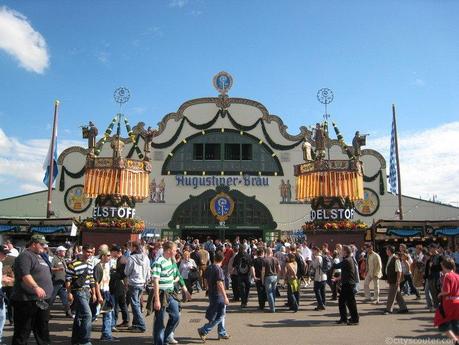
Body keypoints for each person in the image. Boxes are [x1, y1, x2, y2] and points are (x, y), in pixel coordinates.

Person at [11, 234, 54, 345]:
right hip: (26, 300)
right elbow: (25, 275)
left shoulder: (41, 256)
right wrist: (36, 287)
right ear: (34, 244)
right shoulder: (25, 256)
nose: (44, 246)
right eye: (42, 244)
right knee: (23, 331)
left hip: (42, 300)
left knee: (42, 330)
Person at [152, 241, 191, 345]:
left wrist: (185, 291)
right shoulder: (158, 262)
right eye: (175, 250)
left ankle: (165, 337)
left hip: (171, 294)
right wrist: (157, 300)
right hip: (161, 294)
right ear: (169, 251)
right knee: (159, 322)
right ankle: (159, 342)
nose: (176, 252)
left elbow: (177, 276)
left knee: (176, 316)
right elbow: (155, 282)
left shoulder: (171, 261)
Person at [66, 244, 97, 345]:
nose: (89, 254)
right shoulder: (73, 264)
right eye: (88, 252)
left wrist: (94, 294)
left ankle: (75, 340)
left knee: (79, 317)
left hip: (87, 292)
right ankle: (85, 341)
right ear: (83, 251)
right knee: (88, 315)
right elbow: (68, 280)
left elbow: (91, 279)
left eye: (91, 252)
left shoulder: (90, 264)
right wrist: (69, 293)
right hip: (78, 292)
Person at [197, 252, 230, 342]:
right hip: (218, 295)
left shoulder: (209, 267)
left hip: (212, 293)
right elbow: (219, 283)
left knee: (219, 314)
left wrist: (208, 289)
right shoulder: (218, 269)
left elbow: (205, 279)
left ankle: (222, 332)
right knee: (220, 315)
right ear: (222, 260)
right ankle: (204, 329)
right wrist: (225, 296)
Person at [124, 241, 150, 333]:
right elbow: (148, 271)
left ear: (134, 248)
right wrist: (146, 280)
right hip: (142, 283)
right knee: (137, 304)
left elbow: (127, 271)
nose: (130, 248)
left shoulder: (131, 258)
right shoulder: (146, 257)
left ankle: (141, 325)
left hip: (134, 283)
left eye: (131, 247)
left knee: (135, 305)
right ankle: (136, 324)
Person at [433, 257, 459, 345]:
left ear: (444, 266)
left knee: (441, 323)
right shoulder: (457, 275)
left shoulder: (447, 276)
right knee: (455, 324)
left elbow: (447, 291)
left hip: (449, 303)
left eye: (442, 267)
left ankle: (455, 340)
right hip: (457, 302)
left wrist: (440, 294)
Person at [333, 245, 359, 325]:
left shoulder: (347, 260)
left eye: (342, 251)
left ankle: (354, 320)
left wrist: (334, 258)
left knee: (349, 302)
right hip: (348, 283)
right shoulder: (348, 259)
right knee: (345, 302)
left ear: (346, 252)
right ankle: (345, 319)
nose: (341, 252)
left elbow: (336, 266)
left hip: (348, 284)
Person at [383, 246, 408, 314]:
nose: (386, 251)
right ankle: (404, 308)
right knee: (397, 294)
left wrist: (398, 280)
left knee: (391, 295)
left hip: (394, 280)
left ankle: (388, 309)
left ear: (390, 251)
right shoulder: (390, 258)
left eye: (387, 249)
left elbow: (399, 271)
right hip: (392, 279)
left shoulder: (395, 258)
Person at [109, 244, 129, 328]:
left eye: (112, 252)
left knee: (116, 304)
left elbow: (123, 274)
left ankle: (114, 322)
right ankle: (126, 320)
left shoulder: (122, 260)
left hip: (120, 284)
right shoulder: (121, 259)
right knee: (122, 304)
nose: (111, 254)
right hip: (122, 284)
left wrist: (113, 274)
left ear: (117, 252)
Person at [49, 246, 72, 317]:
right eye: (63, 251)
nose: (65, 252)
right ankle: (46, 313)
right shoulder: (55, 259)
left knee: (65, 298)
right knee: (51, 299)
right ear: (59, 252)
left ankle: (68, 312)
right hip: (55, 282)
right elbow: (50, 268)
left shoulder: (63, 259)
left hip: (62, 282)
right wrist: (58, 269)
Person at [232, 243, 252, 308]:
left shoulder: (237, 256)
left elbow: (233, 265)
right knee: (247, 288)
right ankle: (246, 301)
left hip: (240, 275)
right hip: (247, 274)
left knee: (241, 289)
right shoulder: (248, 255)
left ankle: (243, 302)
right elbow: (251, 265)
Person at [0, 246, 13, 344]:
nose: (6, 255)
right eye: (4, 253)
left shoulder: (0, 263)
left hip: (0, 292)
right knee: (2, 316)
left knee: (2, 316)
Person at [261, 247, 280, 313]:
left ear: (266, 252)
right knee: (273, 292)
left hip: (268, 277)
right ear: (271, 252)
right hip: (274, 276)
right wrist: (277, 275)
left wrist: (262, 279)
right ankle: (273, 306)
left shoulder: (264, 260)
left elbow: (263, 271)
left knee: (269, 293)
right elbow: (279, 268)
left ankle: (272, 308)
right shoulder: (276, 259)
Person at [311, 247, 327, 311]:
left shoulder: (317, 257)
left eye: (313, 251)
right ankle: (323, 303)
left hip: (319, 277)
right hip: (324, 276)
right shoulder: (322, 256)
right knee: (322, 291)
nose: (312, 252)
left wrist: (312, 259)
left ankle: (320, 304)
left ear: (316, 251)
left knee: (316, 290)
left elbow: (314, 266)